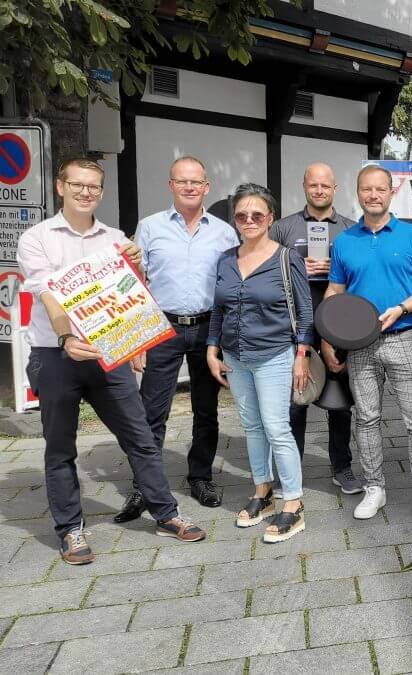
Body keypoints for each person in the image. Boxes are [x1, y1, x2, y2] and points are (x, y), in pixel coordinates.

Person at [17, 158, 207, 565]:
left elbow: (130, 292)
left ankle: (165, 513)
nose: (86, 193)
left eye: (93, 187)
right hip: (56, 355)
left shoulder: (114, 237)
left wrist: (136, 265)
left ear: (101, 193)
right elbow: (48, 294)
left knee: (140, 436)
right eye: (78, 185)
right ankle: (70, 529)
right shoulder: (38, 238)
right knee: (60, 446)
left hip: (108, 353)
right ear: (60, 187)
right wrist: (66, 336)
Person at [115, 156, 238, 523]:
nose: (189, 187)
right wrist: (134, 340)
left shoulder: (224, 232)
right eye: (181, 181)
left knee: (206, 408)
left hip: (207, 328)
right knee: (150, 411)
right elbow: (134, 283)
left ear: (206, 186)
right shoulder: (150, 227)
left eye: (195, 182)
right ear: (171, 185)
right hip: (161, 328)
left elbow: (231, 284)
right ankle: (144, 485)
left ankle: (200, 477)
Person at [324, 165, 412, 526]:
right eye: (366, 189)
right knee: (367, 418)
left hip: (404, 337)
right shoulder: (345, 241)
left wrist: (405, 307)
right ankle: (375, 488)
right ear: (358, 193)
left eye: (380, 189)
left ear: (392, 192)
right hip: (360, 345)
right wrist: (328, 337)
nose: (373, 195)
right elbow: (335, 292)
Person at [206, 183, 314, 543]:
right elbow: (218, 308)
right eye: (241, 215)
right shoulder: (225, 259)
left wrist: (301, 355)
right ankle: (262, 491)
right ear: (234, 219)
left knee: (276, 427)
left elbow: (305, 311)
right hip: (235, 356)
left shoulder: (286, 259)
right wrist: (212, 348)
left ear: (270, 218)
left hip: (274, 355)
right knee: (252, 426)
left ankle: (293, 504)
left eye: (257, 214)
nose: (249, 220)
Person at [270, 162, 363, 495]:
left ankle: (342, 467)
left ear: (335, 189)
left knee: (340, 403)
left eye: (326, 185)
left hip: (339, 327)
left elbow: (361, 280)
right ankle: (290, 471)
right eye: (313, 185)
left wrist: (335, 270)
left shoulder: (352, 230)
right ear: (304, 186)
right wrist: (298, 267)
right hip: (295, 328)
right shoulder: (282, 229)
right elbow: (267, 275)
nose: (319, 190)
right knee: (296, 401)